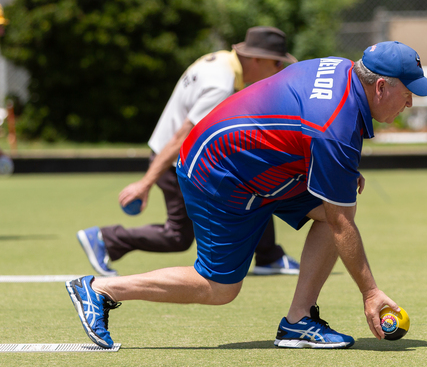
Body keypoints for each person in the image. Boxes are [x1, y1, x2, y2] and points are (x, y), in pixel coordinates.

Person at [66, 41, 427, 349]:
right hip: (218, 171)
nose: (409, 104)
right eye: (407, 94)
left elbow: (300, 116)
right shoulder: (333, 126)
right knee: (219, 287)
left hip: (251, 161)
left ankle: (298, 321)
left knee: (329, 213)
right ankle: (101, 289)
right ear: (380, 87)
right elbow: (342, 219)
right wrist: (370, 292)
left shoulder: (342, 68)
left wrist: (335, 173)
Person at [76, 27, 300, 277]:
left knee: (249, 185)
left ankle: (269, 256)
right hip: (174, 162)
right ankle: (105, 239)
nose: (280, 69)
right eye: (277, 63)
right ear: (257, 58)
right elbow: (182, 135)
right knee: (178, 236)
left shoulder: (218, 60)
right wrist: (145, 183)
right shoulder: (221, 85)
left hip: (176, 155)